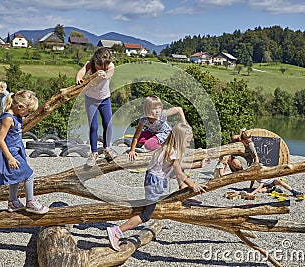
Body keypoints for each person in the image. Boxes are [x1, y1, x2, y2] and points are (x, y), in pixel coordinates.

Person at [106, 123, 208, 251]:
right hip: (155, 183)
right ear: (180, 139)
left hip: (153, 180)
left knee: (150, 207)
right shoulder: (172, 151)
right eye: (187, 141)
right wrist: (193, 185)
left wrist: (199, 165)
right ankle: (117, 231)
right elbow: (179, 172)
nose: (188, 144)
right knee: (145, 216)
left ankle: (183, 199)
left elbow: (180, 164)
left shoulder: (166, 148)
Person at [0, 90, 49, 214]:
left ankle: (13, 202)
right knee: (29, 175)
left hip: (17, 150)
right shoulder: (8, 118)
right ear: (20, 107)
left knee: (16, 178)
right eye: (28, 111)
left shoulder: (17, 115)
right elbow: (0, 139)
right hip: (10, 153)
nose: (28, 114)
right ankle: (30, 202)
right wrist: (9, 158)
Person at [75, 47, 115, 167]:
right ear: (95, 61)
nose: (103, 68)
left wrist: (105, 74)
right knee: (93, 126)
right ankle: (93, 153)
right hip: (91, 99)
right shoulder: (90, 64)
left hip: (104, 99)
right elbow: (81, 72)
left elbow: (110, 73)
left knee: (108, 124)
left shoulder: (110, 66)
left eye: (105, 66)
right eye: (100, 65)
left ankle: (107, 148)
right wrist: (78, 78)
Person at [128, 95, 187, 161]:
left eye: (159, 108)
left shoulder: (162, 114)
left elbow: (179, 109)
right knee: (139, 140)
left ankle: (168, 146)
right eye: (154, 108)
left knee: (148, 145)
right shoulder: (143, 119)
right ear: (147, 109)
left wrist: (184, 126)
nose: (157, 111)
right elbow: (136, 135)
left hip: (165, 133)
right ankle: (155, 142)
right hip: (152, 132)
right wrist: (132, 150)